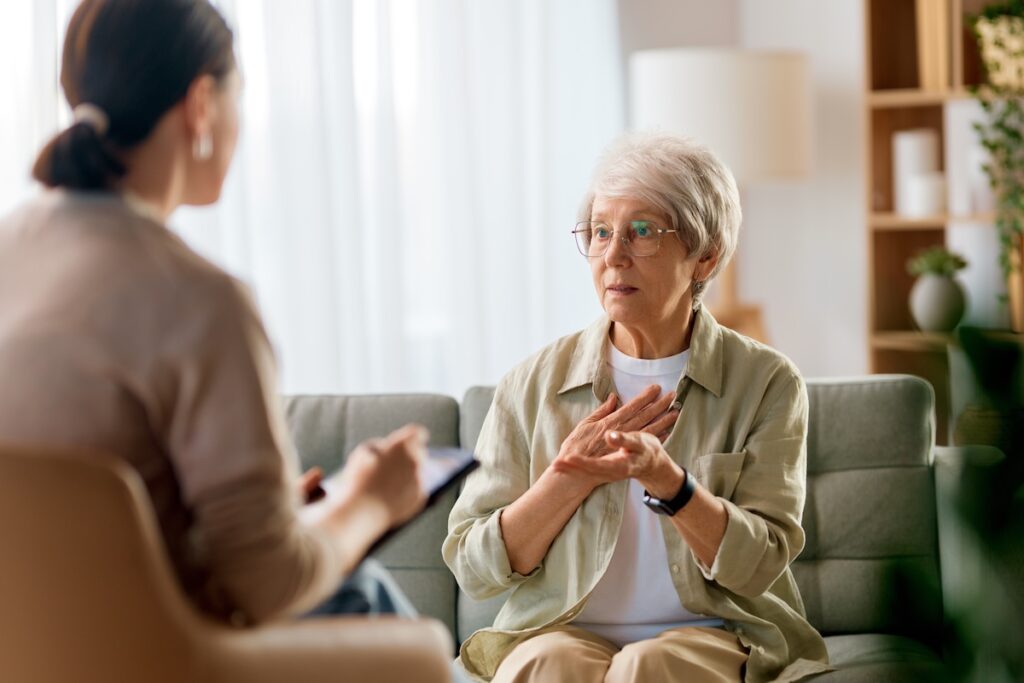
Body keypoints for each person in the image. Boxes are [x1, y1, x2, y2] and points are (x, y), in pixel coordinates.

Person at [0, 0, 424, 626]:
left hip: (38, 645)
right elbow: (268, 583)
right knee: (361, 589)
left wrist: (273, 513)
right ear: (201, 103)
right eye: (239, 96)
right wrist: (372, 502)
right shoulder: (199, 301)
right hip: (156, 654)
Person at [443, 132, 831, 682]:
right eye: (601, 231)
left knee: (645, 668)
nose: (613, 255)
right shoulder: (530, 385)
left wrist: (671, 484)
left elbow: (762, 562)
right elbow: (472, 566)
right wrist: (565, 479)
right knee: (547, 664)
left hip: (714, 633)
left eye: (643, 232)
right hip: (560, 630)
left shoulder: (766, 383)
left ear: (705, 256)